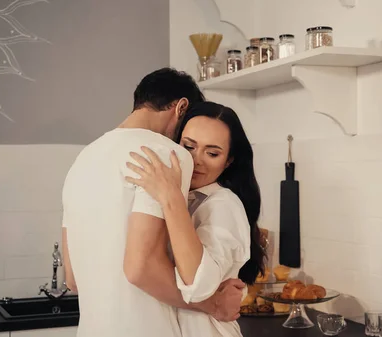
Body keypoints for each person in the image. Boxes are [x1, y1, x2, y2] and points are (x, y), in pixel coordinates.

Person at [60, 69, 245, 337]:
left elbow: (72, 279)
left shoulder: (82, 160)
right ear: (181, 107)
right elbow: (140, 268)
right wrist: (214, 303)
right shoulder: (166, 154)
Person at [124, 101, 266, 337]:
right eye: (188, 146)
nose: (196, 160)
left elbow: (197, 286)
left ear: (228, 161)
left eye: (212, 153)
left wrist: (170, 198)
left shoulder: (223, 204)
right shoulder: (185, 198)